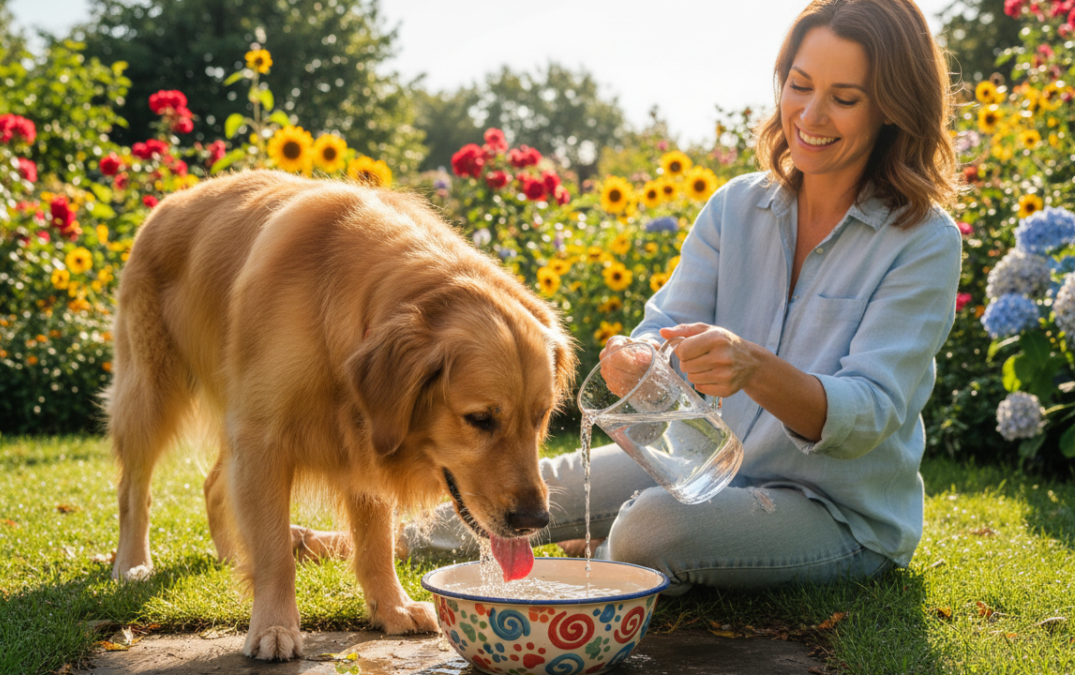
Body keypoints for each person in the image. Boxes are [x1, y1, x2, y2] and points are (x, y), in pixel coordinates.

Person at [402, 0, 963, 595]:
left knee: (652, 524)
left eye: (844, 98)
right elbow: (665, 326)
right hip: (708, 467)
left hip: (836, 513)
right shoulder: (736, 207)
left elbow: (870, 413)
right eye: (799, 85)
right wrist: (637, 358)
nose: (810, 114)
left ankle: (600, 558)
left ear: (893, 111)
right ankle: (363, 541)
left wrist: (752, 368)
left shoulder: (923, 241)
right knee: (556, 480)